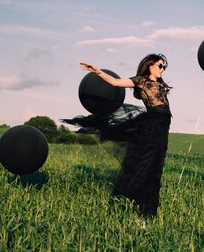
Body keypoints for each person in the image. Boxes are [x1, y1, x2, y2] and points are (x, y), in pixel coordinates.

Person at [69, 54, 172, 227]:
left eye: (163, 67)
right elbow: (116, 83)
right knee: (146, 167)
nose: (162, 69)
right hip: (152, 126)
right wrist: (97, 71)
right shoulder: (142, 81)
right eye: (160, 66)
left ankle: (149, 214)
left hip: (162, 128)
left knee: (156, 169)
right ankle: (134, 207)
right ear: (150, 66)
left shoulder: (160, 85)